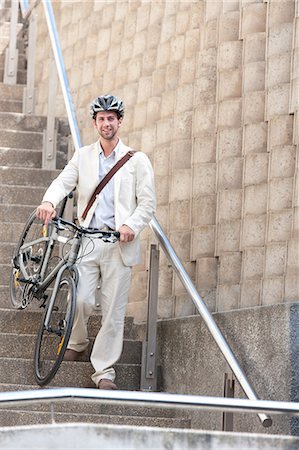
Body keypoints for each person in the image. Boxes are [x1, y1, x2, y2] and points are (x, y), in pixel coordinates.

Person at [36, 94, 156, 390]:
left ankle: (104, 372)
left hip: (119, 245)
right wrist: (49, 202)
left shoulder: (136, 160)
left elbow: (148, 203)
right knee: (81, 299)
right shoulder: (83, 156)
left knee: (114, 311)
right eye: (101, 119)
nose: (106, 123)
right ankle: (76, 342)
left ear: (120, 122)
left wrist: (131, 224)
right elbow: (64, 182)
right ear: (95, 123)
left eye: (111, 118)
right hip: (87, 241)